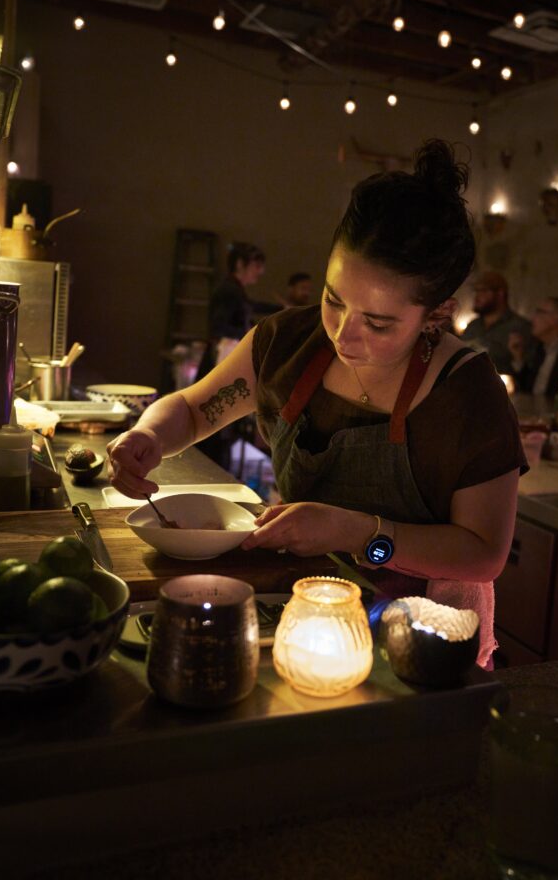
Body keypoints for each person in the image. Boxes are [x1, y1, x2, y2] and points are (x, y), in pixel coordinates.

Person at [107, 140, 527, 668]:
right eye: (334, 299)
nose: (343, 336)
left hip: (424, 640)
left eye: (378, 323)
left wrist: (359, 534)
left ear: (438, 314)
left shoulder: (467, 394)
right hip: (307, 611)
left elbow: (483, 554)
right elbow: (193, 410)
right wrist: (148, 436)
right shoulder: (286, 341)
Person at [194, 242, 266, 468]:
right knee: (215, 415)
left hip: (224, 356)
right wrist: (251, 333)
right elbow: (219, 327)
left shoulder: (234, 289)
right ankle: (208, 470)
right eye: (256, 265)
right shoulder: (229, 289)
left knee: (219, 418)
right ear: (240, 264)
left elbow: (251, 307)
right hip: (220, 358)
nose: (260, 271)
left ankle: (212, 467)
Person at [461, 271, 532, 374]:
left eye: (483, 291)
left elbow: (528, 370)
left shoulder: (520, 326)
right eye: (476, 291)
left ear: (500, 294)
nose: (477, 296)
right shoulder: (473, 326)